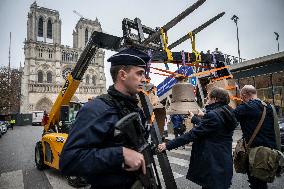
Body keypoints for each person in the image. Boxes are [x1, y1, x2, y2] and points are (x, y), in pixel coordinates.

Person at [59, 47, 150, 189]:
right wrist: (120, 155)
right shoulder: (96, 109)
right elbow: (69, 160)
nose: (144, 79)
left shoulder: (135, 108)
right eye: (139, 73)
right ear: (123, 75)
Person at [158, 87, 238, 189]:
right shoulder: (227, 112)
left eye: (208, 97)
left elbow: (192, 134)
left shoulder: (213, 115)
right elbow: (213, 128)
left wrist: (168, 145)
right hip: (223, 160)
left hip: (213, 163)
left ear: (215, 99)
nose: (206, 99)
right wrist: (195, 118)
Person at [234, 85, 277, 189]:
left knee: (257, 184)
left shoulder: (246, 108)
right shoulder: (269, 107)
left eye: (241, 97)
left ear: (244, 95)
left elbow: (227, 117)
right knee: (262, 182)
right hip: (270, 153)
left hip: (256, 154)